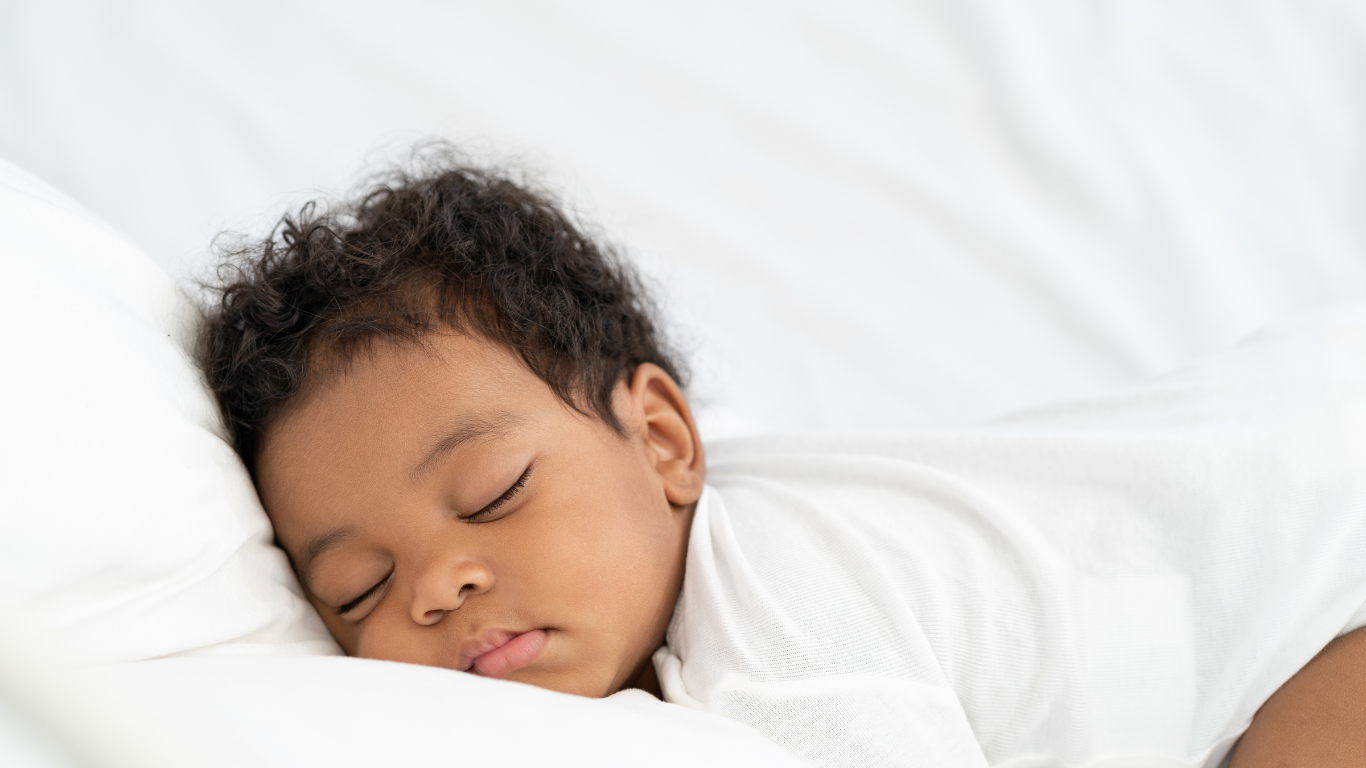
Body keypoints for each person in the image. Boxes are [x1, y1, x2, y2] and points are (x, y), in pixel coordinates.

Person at [197, 152, 1366, 768]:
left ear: (662, 441)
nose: (438, 583)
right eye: (359, 591)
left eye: (493, 495)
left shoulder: (776, 626)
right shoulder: (667, 535)